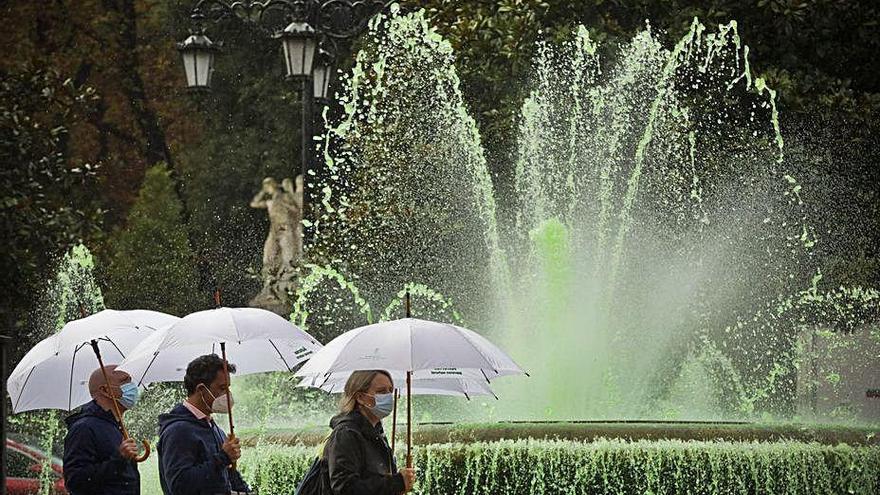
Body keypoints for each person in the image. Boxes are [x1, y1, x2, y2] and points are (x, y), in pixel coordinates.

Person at [157, 354, 250, 495]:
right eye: (222, 388)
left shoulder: (213, 427)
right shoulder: (178, 431)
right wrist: (223, 457)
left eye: (228, 388)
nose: (228, 394)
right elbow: (179, 485)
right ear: (201, 389)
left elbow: (226, 475)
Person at [323, 370, 416, 495]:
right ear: (360, 397)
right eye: (381, 391)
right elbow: (345, 488)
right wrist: (396, 482)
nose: (388, 396)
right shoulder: (346, 434)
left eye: (390, 390)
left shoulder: (376, 432)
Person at [63, 365, 141, 495]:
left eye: (130, 380)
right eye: (124, 381)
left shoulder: (114, 425)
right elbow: (75, 481)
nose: (132, 386)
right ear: (105, 390)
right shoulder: (84, 428)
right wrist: (119, 459)